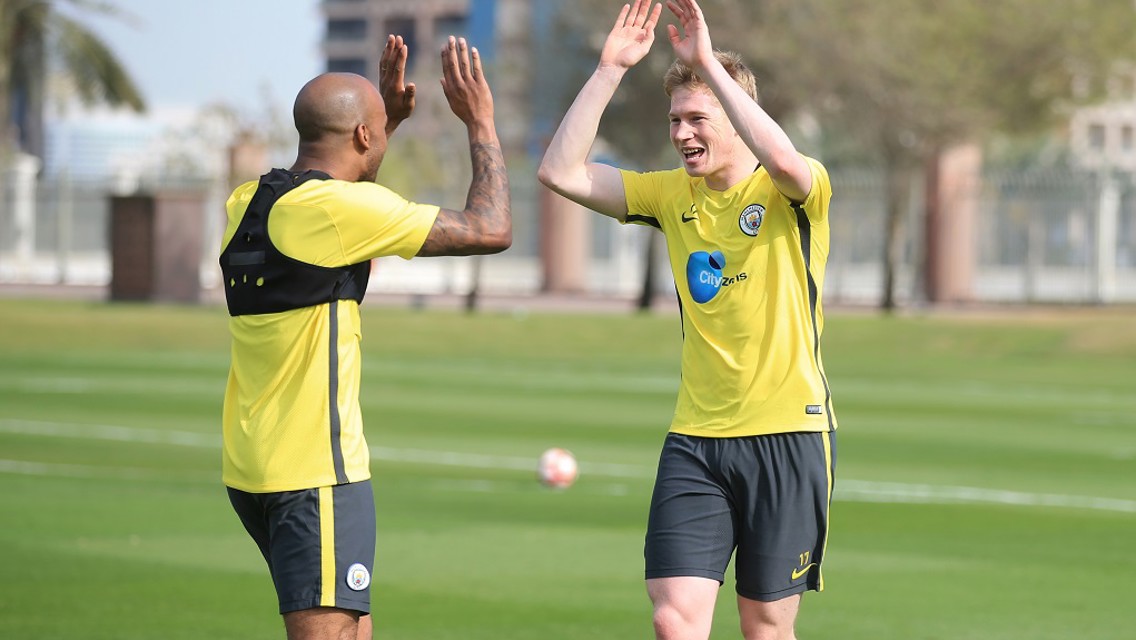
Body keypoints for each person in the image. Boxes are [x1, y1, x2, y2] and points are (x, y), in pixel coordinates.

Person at [537, 1, 836, 638]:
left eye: (697, 118)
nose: (681, 133)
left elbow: (783, 162)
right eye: (675, 120)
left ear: (735, 119)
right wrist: (609, 70)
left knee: (764, 627)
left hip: (787, 433)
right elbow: (559, 171)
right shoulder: (672, 196)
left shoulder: (794, 189)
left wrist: (705, 61)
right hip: (695, 442)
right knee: (674, 620)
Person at [219, 34, 510, 640]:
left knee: (354, 629)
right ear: (360, 138)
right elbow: (491, 227)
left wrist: (382, 122)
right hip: (315, 474)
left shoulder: (247, 201)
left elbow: (339, 222)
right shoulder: (333, 212)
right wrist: (479, 120)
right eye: (374, 129)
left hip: (253, 470)